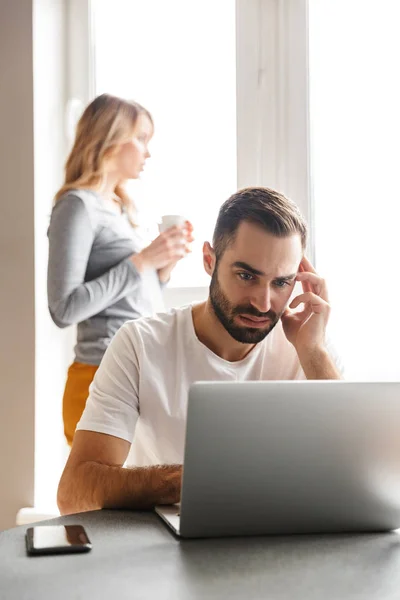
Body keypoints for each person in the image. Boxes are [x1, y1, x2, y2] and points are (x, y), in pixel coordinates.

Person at [57, 186, 342, 515]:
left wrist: (314, 354)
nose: (264, 303)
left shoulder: (309, 344)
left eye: (281, 283)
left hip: (285, 548)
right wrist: (199, 481)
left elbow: (360, 478)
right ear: (209, 260)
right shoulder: (140, 344)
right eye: (246, 275)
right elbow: (74, 491)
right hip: (166, 556)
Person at [47, 93, 193, 446]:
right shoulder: (76, 206)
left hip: (139, 370)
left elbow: (132, 301)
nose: (148, 152)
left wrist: (162, 269)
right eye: (141, 138)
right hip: (98, 374)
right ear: (110, 137)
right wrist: (142, 261)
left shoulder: (121, 209)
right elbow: (63, 308)